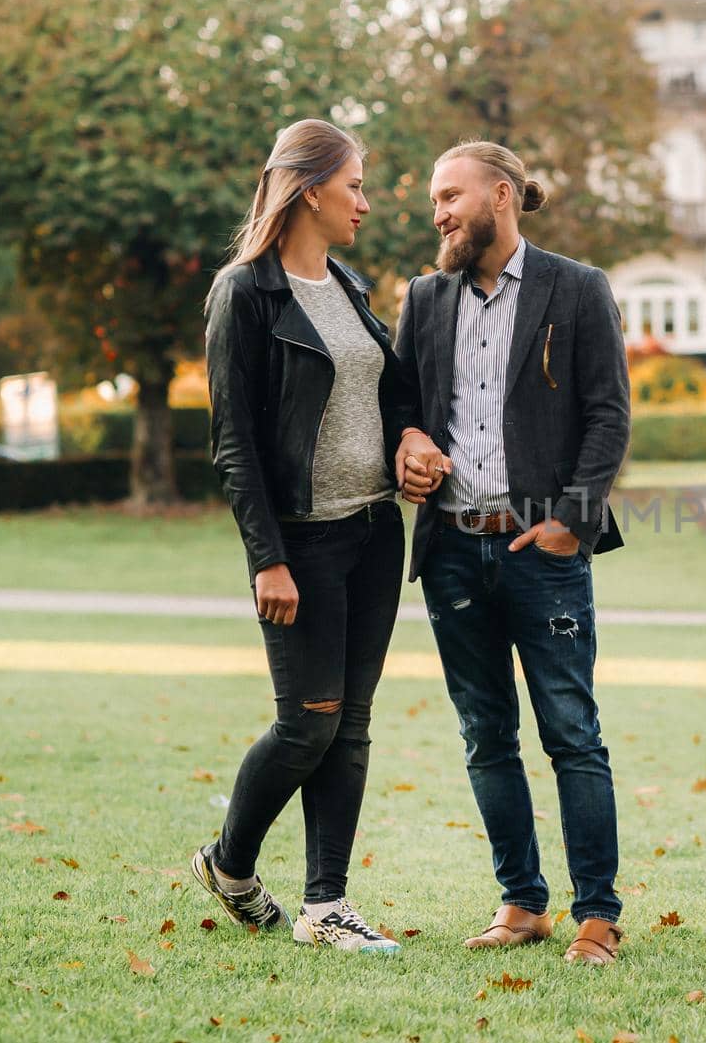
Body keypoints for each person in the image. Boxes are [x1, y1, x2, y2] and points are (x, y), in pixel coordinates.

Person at [194, 118, 446, 953]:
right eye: (356, 186)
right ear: (309, 190)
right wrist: (266, 557)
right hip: (301, 543)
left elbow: (390, 392)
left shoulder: (347, 284)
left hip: (375, 530)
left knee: (354, 720)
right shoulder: (246, 292)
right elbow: (233, 443)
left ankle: (324, 904)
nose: (366, 203)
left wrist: (409, 438)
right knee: (309, 722)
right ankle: (230, 863)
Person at [392, 140, 631, 965]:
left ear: (501, 194)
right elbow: (402, 403)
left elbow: (608, 414)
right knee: (485, 733)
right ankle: (522, 901)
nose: (439, 213)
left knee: (572, 732)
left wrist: (574, 517)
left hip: (545, 550)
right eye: (433, 200)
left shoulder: (576, 287)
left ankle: (597, 914)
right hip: (453, 552)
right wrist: (410, 437)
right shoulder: (425, 297)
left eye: (450, 195)